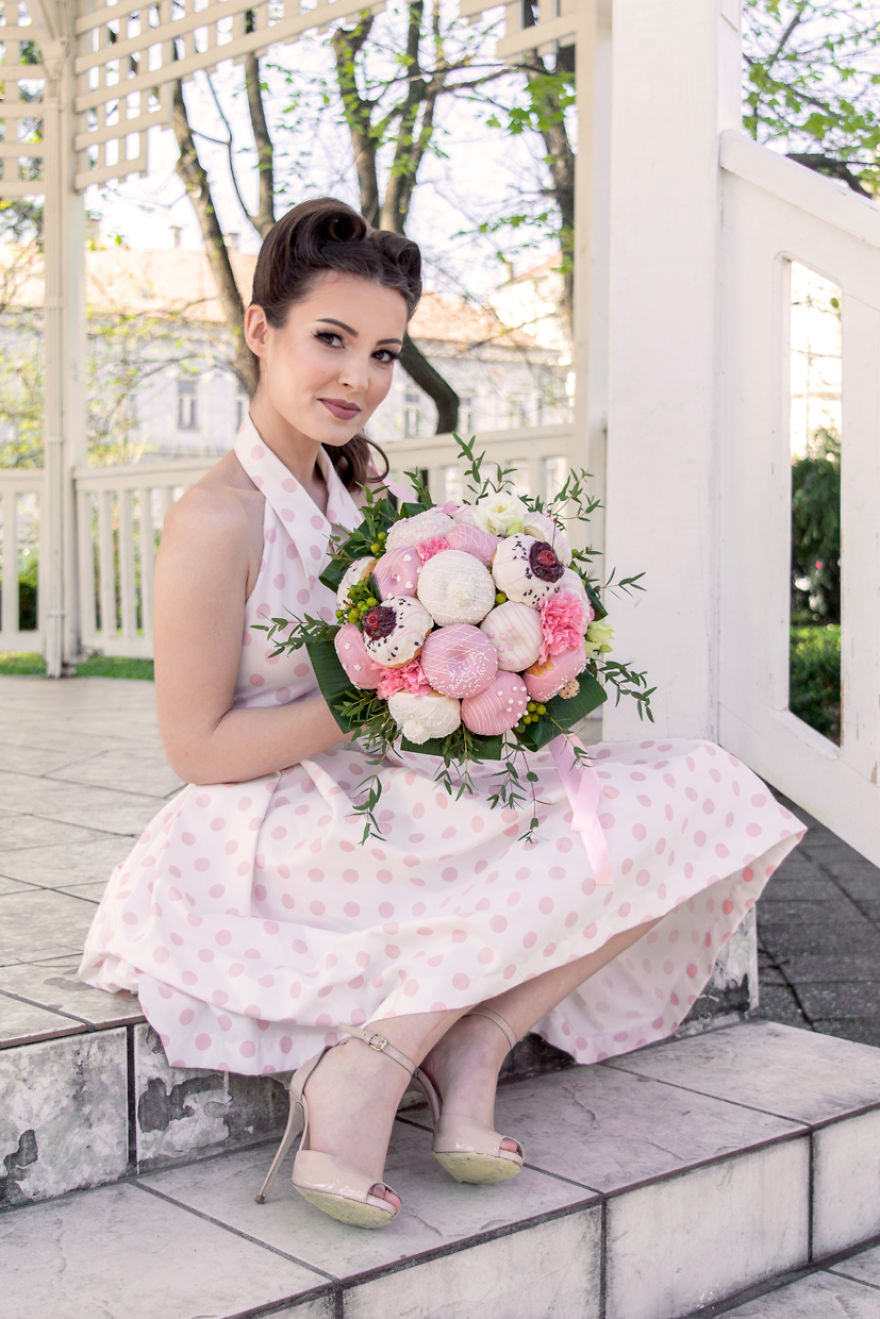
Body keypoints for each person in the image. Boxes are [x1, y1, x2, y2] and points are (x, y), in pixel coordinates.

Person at [79, 197, 804, 1230]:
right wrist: (374, 695)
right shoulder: (214, 519)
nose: (357, 379)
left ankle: (477, 1036)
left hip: (392, 780)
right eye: (331, 340)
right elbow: (194, 746)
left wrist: (497, 685)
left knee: (703, 789)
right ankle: (366, 1068)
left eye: (382, 352)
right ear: (258, 330)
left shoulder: (360, 489)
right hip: (273, 820)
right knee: (554, 835)